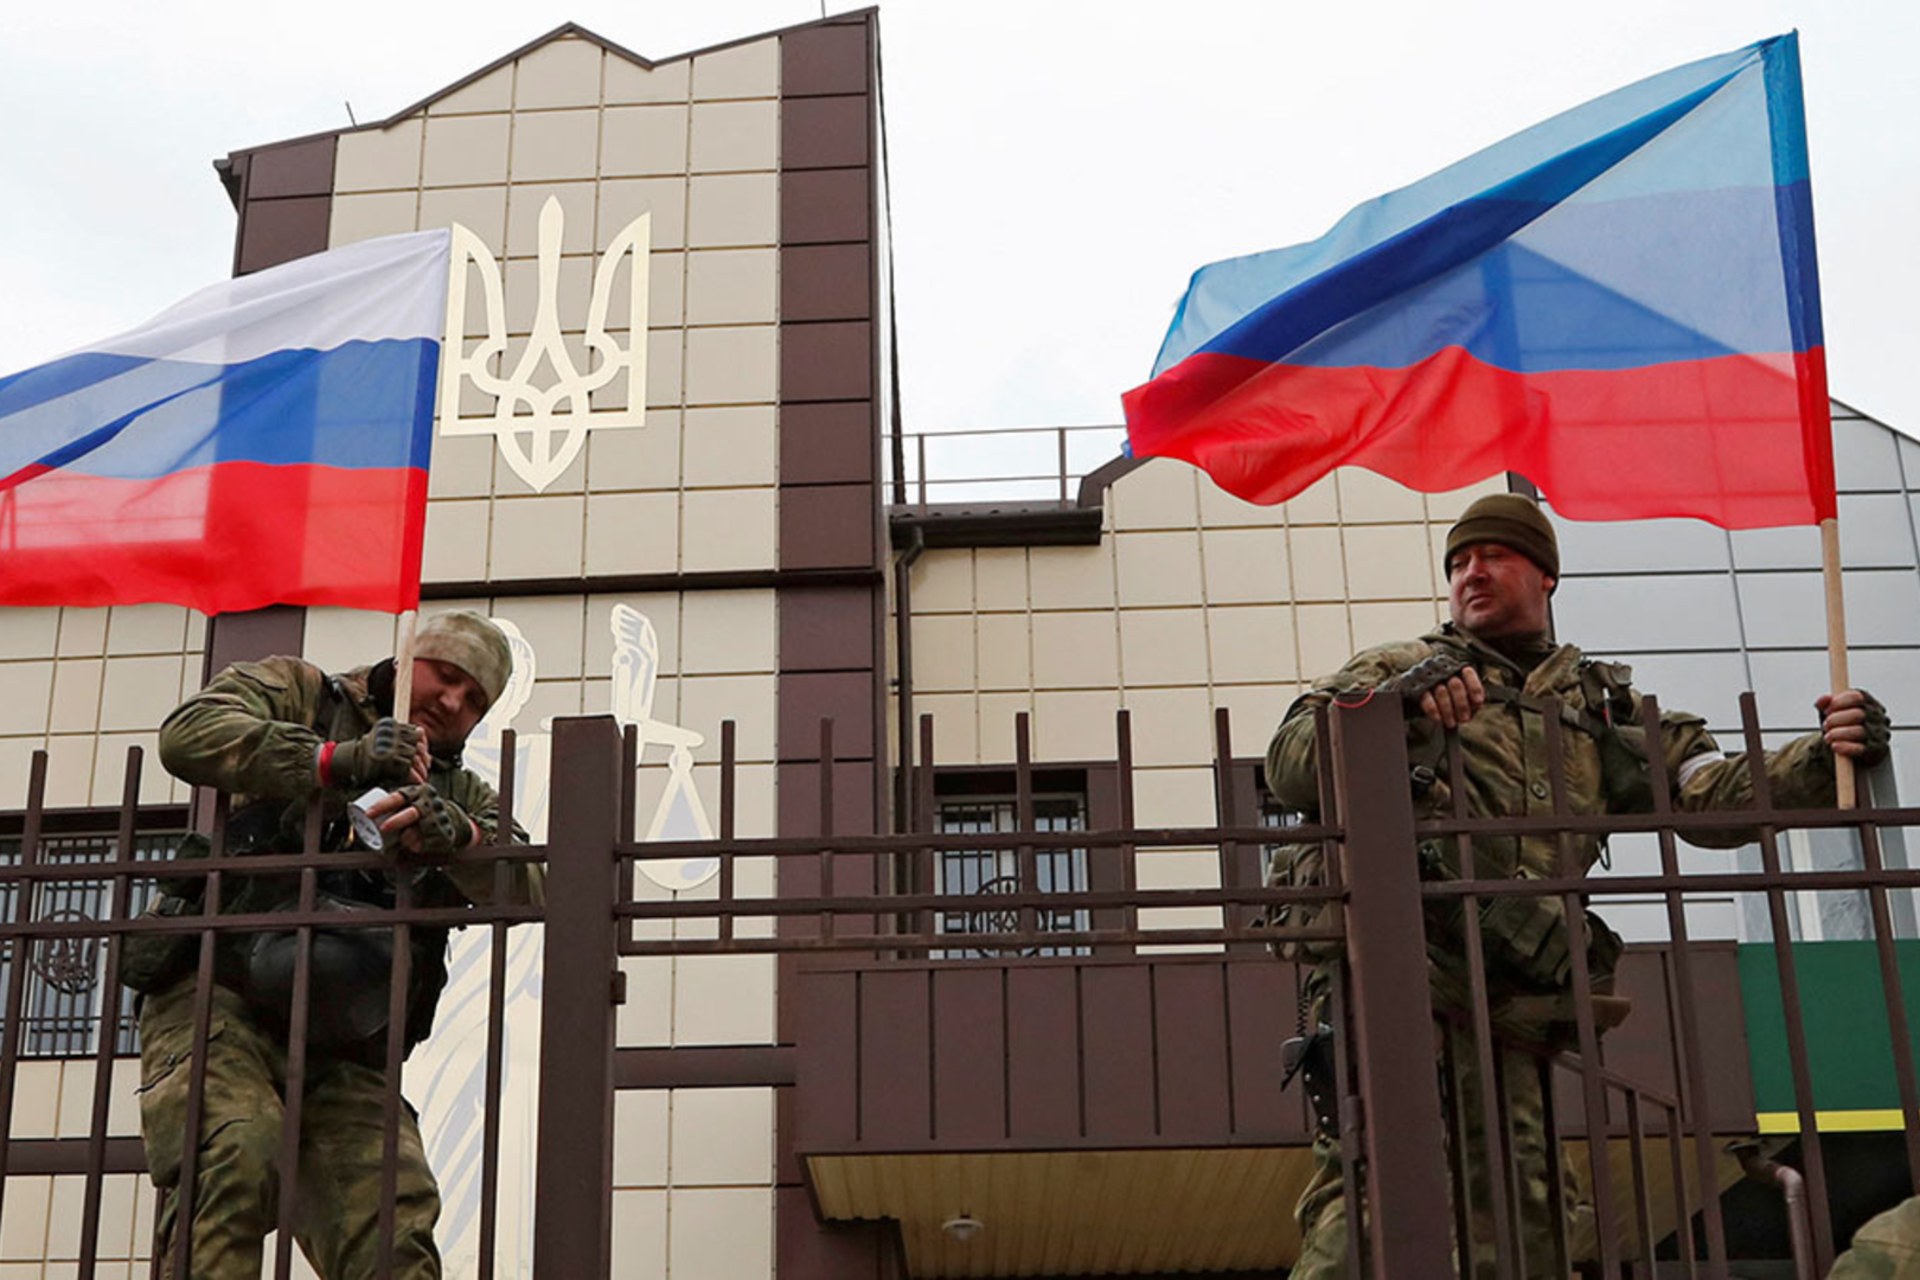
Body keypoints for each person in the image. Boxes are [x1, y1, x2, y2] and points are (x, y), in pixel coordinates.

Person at [1262, 493, 1890, 1279]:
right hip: (1393, 981)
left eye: (1492, 556)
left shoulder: (1601, 704)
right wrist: (1397, 707)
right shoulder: (1400, 666)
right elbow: (1289, 766)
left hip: (1516, 996)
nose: (1471, 574)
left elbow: (1708, 798)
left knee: (1528, 1217)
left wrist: (1818, 754)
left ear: (1546, 576)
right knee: (1373, 1191)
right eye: (1457, 563)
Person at [134, 611, 540, 1280]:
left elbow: (537, 886)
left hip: (348, 1037)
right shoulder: (302, 694)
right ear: (411, 658)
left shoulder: (459, 791)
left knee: (391, 1209)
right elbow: (188, 736)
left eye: (475, 700)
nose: (452, 701)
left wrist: (461, 838)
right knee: (237, 1153)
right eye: (447, 675)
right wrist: (333, 761)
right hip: (221, 993)